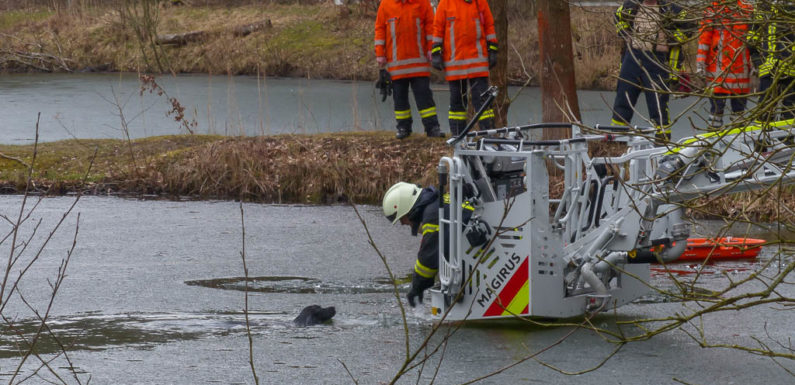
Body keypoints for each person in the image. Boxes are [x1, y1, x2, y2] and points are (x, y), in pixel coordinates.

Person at [611, 0, 692, 142]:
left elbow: (690, 25)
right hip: (632, 58)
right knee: (623, 100)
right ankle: (617, 141)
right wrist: (625, 33)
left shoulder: (670, 9)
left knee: (658, 105)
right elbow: (617, 16)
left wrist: (671, 39)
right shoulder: (632, 5)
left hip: (657, 61)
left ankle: (662, 143)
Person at [382, 182, 473, 307]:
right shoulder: (437, 204)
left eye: (401, 218)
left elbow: (428, 259)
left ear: (408, 210)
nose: (402, 223)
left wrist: (416, 288)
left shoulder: (432, 216)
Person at [374, 0, 443, 139]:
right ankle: (403, 128)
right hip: (397, 64)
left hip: (419, 63)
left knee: (424, 98)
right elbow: (380, 29)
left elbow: (431, 26)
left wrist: (431, 48)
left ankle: (432, 128)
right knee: (400, 99)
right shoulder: (386, 5)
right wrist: (380, 53)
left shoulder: (422, 3)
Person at [432, 0, 498, 136]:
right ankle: (458, 136)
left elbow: (489, 26)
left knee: (482, 101)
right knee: (457, 102)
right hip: (455, 63)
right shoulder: (445, 3)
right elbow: (438, 29)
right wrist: (436, 52)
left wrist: (493, 49)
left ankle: (488, 136)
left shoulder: (480, 3)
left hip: (477, 62)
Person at [696, 0, 753, 129]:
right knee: (717, 110)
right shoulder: (712, 9)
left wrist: (755, 64)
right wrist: (700, 62)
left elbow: (753, 39)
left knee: (738, 113)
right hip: (721, 69)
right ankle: (714, 135)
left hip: (736, 69)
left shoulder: (746, 9)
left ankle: (736, 137)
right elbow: (704, 37)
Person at [748, 0, 795, 123]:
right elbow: (751, 42)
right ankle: (762, 134)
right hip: (768, 69)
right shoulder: (762, 7)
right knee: (765, 112)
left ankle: (788, 135)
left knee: (790, 113)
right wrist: (759, 63)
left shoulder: (791, 6)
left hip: (792, 70)